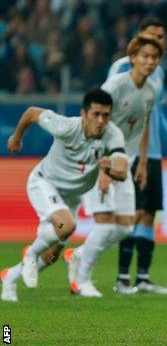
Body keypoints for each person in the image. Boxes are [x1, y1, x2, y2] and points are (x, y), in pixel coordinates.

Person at [1, 88, 127, 302]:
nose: (100, 120)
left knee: (50, 256)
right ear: (84, 113)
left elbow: (122, 171)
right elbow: (32, 112)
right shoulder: (66, 126)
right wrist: (17, 136)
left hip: (71, 196)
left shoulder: (113, 134)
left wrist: (111, 169)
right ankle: (30, 253)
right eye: (95, 114)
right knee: (66, 226)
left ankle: (9, 277)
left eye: (105, 115)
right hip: (44, 183)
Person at [63, 34, 162, 298]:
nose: (150, 62)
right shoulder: (115, 86)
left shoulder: (151, 90)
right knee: (107, 225)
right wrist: (102, 169)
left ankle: (79, 255)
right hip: (99, 159)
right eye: (145, 56)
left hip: (125, 162)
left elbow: (143, 125)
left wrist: (140, 162)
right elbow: (95, 122)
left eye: (155, 58)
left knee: (125, 227)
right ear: (132, 58)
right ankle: (82, 281)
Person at [107, 17, 167, 295]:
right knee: (134, 211)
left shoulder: (158, 74)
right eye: (152, 34)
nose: (157, 39)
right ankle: (121, 278)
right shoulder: (121, 68)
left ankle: (142, 277)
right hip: (128, 151)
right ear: (138, 38)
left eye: (161, 36)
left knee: (149, 213)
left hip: (151, 151)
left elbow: (157, 115)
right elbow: (108, 111)